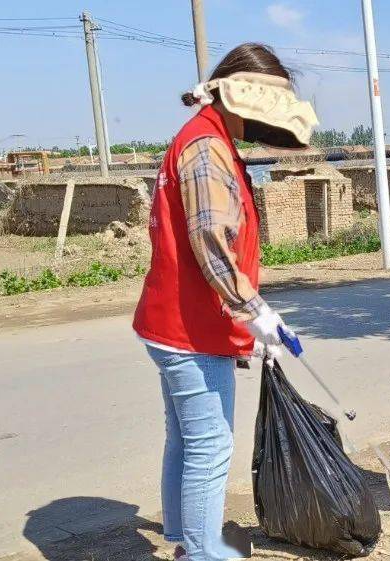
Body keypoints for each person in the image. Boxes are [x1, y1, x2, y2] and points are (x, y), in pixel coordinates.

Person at [132, 43, 317, 561]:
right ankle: (201, 552)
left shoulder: (205, 139)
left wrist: (251, 318)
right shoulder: (206, 148)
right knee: (210, 447)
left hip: (170, 321)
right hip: (189, 329)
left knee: (186, 439)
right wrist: (253, 311)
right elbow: (210, 240)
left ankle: (183, 539)